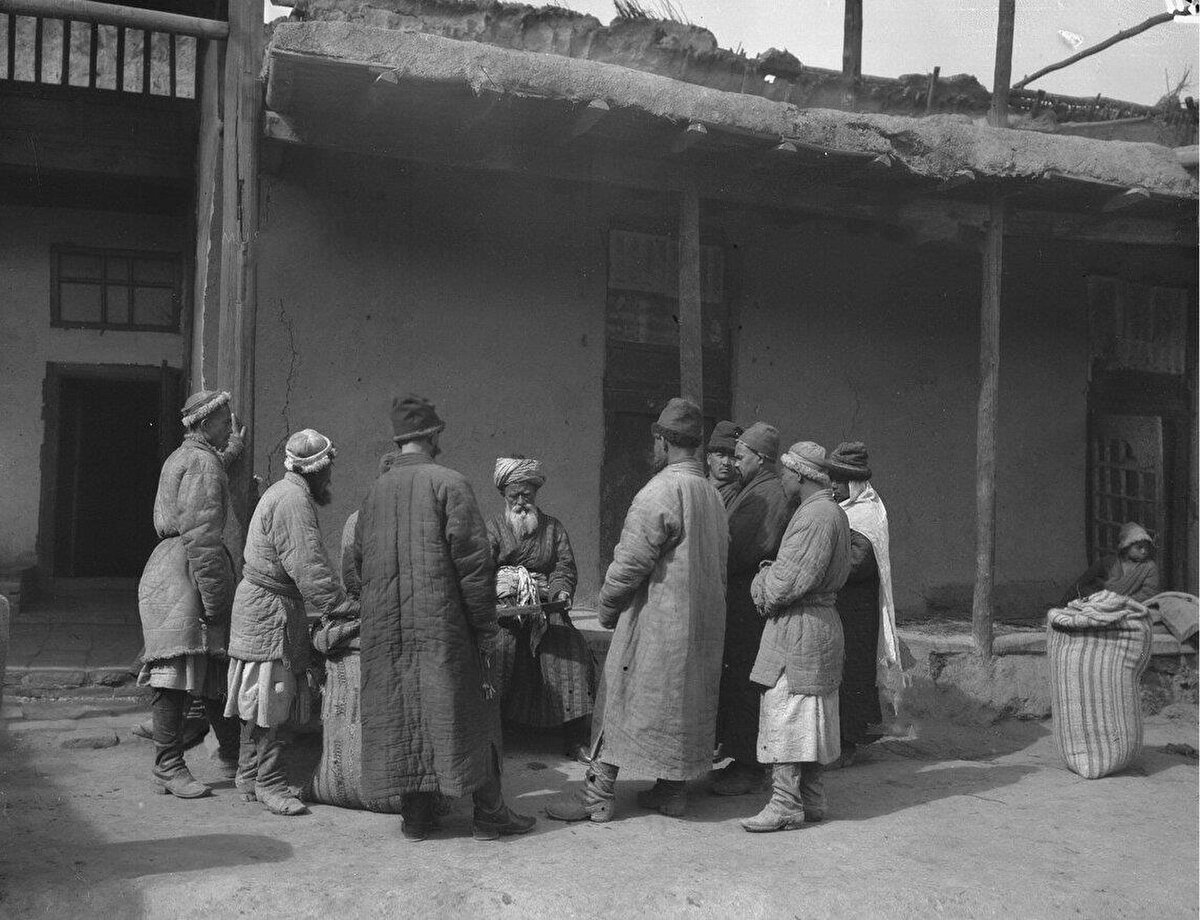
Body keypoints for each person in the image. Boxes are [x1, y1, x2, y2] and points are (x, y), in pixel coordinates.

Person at [353, 395, 536, 842]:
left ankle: (416, 818)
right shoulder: (450, 484)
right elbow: (474, 568)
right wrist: (484, 629)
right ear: (433, 435)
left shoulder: (374, 493)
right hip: (444, 630)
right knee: (474, 712)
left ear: (399, 440)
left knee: (406, 714)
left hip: (387, 634)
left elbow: (353, 567)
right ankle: (490, 815)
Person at [546, 398, 728, 822]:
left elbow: (629, 563)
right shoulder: (712, 495)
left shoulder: (660, 490)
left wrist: (608, 608)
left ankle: (597, 795)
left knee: (621, 698)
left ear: (663, 441)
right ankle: (672, 791)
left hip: (658, 622)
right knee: (683, 705)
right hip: (702, 626)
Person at [225, 429, 357, 816]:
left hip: (262, 605)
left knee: (257, 698)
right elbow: (309, 565)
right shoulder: (293, 501)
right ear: (316, 470)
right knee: (272, 699)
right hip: (270, 612)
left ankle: (249, 774)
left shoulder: (284, 493)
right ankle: (269, 783)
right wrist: (342, 605)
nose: (330, 479)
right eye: (328, 471)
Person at [136, 389, 245, 799]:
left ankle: (234, 756)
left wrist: (232, 450)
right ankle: (168, 765)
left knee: (213, 668)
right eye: (225, 420)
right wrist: (216, 601)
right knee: (175, 671)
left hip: (173, 566)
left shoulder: (185, 456)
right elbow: (201, 535)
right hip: (188, 572)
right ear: (205, 423)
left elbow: (207, 474)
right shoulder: (201, 463)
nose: (230, 425)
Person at [742, 441, 850, 833]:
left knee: (786, 712)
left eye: (786, 472)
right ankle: (813, 798)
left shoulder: (816, 516)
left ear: (800, 475)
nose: (782, 478)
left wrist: (760, 580)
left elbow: (783, 585)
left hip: (801, 625)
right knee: (811, 714)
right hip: (817, 623)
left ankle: (786, 803)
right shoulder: (829, 511)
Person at [486, 457, 596, 763]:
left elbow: (564, 566)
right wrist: (502, 589)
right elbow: (481, 569)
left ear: (536, 493)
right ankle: (494, 735)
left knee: (570, 652)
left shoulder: (553, 528)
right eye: (514, 496)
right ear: (504, 495)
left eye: (527, 494)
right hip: (505, 612)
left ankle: (575, 737)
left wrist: (561, 590)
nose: (521, 502)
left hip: (546, 607)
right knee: (498, 651)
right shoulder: (492, 528)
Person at [712, 421, 794, 797]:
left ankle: (748, 766)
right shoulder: (752, 489)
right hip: (740, 600)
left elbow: (741, 550)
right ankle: (739, 756)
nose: (735, 463)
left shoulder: (769, 495)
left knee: (747, 681)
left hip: (749, 605)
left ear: (760, 459)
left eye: (741, 456)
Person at [826, 441, 901, 767]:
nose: (833, 486)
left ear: (855, 483)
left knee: (852, 674)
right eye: (832, 479)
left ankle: (847, 744)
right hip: (841, 606)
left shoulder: (867, 514)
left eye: (840, 481)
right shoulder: (843, 509)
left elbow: (859, 563)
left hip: (857, 610)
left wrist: (825, 565)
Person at [1062, 522, 1160, 605]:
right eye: (1139, 547)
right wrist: (1062, 604)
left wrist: (1120, 601)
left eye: (1146, 548)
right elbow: (1080, 584)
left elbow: (1148, 594)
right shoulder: (1108, 562)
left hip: (1130, 607)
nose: (1144, 551)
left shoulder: (1149, 567)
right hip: (1101, 605)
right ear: (1126, 547)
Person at [705, 420, 744, 507]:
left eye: (732, 457)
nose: (726, 462)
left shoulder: (739, 494)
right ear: (709, 458)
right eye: (720, 455)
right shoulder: (697, 486)